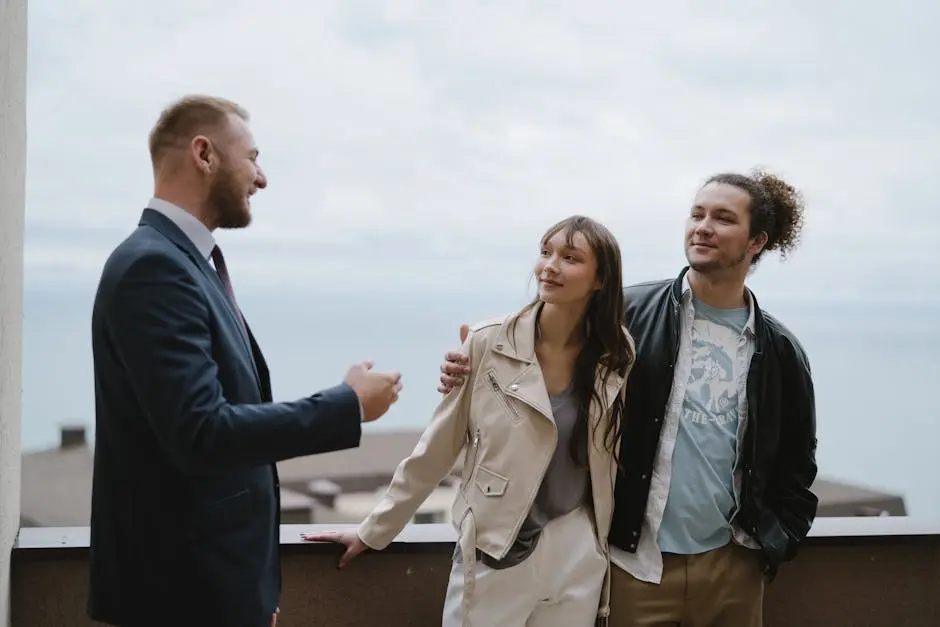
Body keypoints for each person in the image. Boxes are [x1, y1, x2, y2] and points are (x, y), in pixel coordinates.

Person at [437, 170, 818, 627]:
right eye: (696, 214)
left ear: (756, 241)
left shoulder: (779, 351)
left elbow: (798, 462)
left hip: (733, 568)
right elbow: (538, 356)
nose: (702, 226)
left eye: (722, 218)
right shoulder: (628, 313)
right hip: (636, 566)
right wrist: (472, 364)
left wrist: (774, 541)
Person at [87, 94, 403, 627]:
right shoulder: (154, 269)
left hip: (214, 594)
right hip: (180, 600)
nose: (262, 179)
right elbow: (202, 431)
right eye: (253, 157)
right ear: (204, 154)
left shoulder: (184, 262)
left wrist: (250, 593)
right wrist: (344, 406)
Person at [304, 216, 635, 626]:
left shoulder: (616, 354)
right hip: (498, 547)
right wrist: (375, 529)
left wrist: (594, 545)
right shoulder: (487, 342)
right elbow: (438, 448)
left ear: (600, 278)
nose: (549, 266)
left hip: (578, 548)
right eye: (546, 252)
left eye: (570, 257)